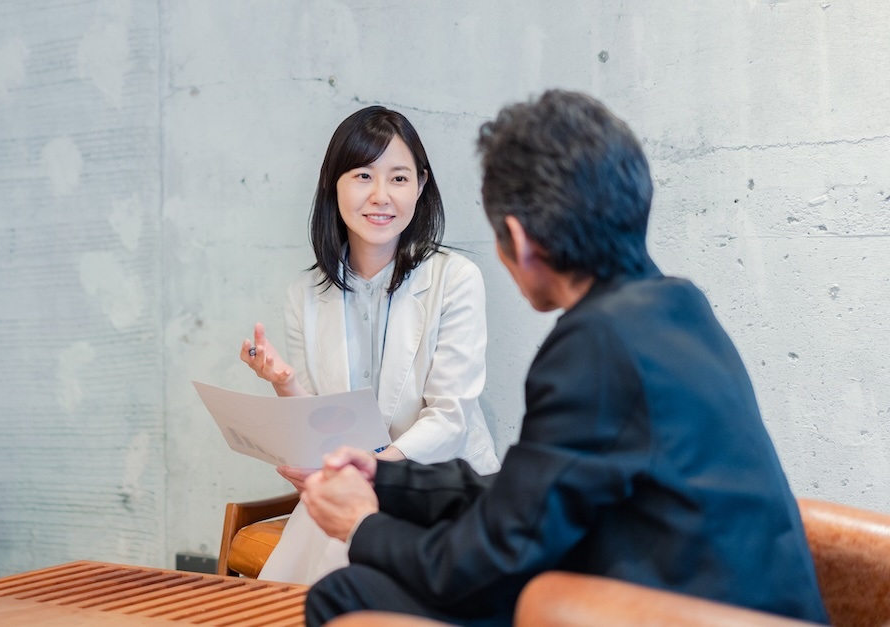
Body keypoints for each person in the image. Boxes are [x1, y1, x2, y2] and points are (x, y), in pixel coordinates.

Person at [299, 90, 830, 626]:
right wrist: (385, 479)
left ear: (520, 241)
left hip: (662, 610)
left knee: (348, 593)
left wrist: (362, 526)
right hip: (716, 597)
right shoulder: (678, 307)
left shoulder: (594, 345)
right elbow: (530, 494)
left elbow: (493, 554)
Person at [239, 106, 500, 585]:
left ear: (421, 186)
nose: (381, 196)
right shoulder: (306, 294)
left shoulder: (455, 279)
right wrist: (286, 383)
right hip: (354, 488)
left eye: (399, 178)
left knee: (344, 559)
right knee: (315, 563)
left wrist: (374, 472)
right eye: (363, 175)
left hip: (437, 487)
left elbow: (450, 420)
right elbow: (323, 426)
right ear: (332, 185)